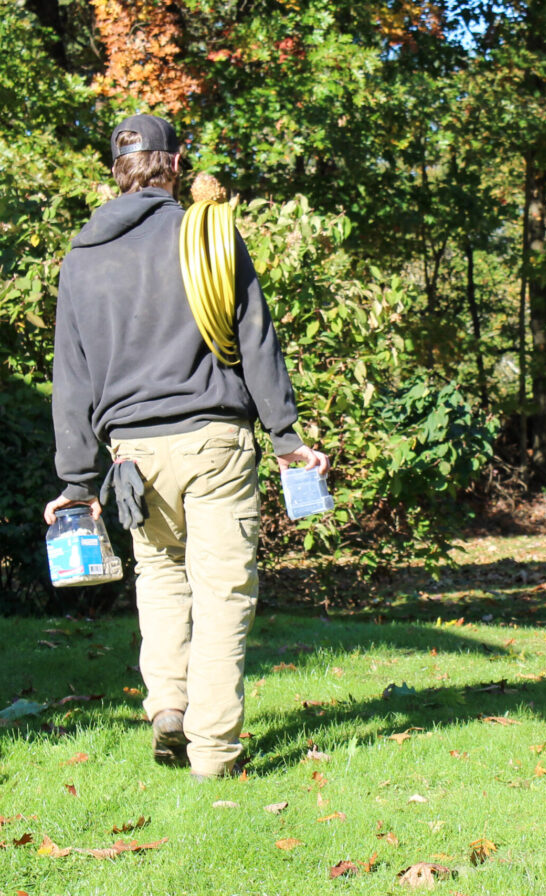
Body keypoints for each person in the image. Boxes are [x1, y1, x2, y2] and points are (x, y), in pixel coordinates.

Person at [43, 113, 329, 778]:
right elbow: (255, 343)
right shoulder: (209, 237)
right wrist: (286, 440)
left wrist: (76, 482)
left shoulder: (82, 259)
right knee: (223, 592)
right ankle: (215, 753)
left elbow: (71, 381)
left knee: (162, 579)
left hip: (130, 460)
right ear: (174, 166)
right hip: (212, 443)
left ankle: (168, 705)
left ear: (119, 171)